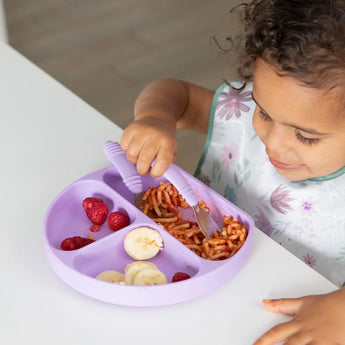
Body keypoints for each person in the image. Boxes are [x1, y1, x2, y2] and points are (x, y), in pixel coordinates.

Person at [120, 0, 345, 343]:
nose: (273, 142)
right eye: (264, 113)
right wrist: (155, 117)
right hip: (191, 290)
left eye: (305, 136)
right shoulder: (241, 117)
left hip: (275, 320)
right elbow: (175, 93)